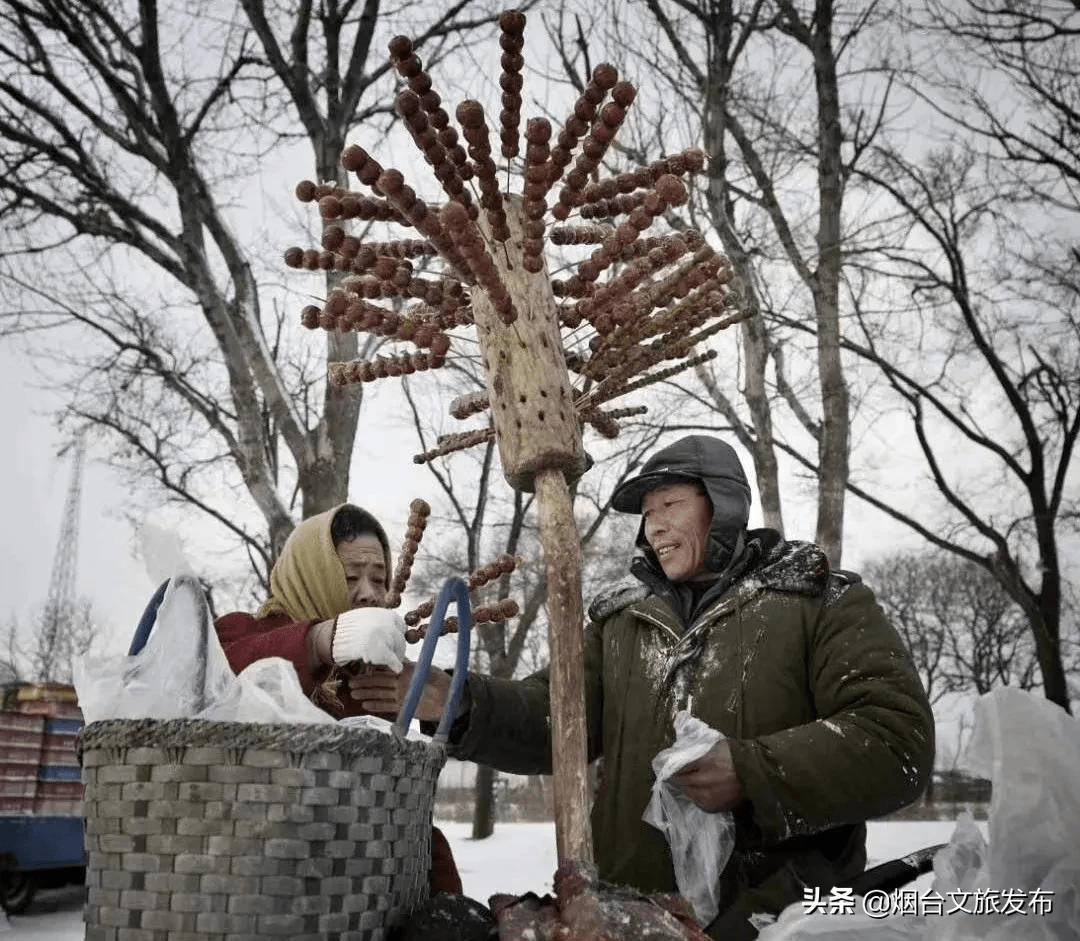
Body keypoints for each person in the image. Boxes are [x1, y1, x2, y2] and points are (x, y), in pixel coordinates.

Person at [351, 435, 936, 939]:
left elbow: (896, 741)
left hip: (775, 918)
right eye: (647, 512)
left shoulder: (818, 600)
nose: (653, 526)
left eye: (670, 504)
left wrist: (752, 770)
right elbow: (555, 722)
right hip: (636, 917)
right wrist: (451, 699)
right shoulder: (621, 621)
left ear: (724, 507)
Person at [214, 502, 463, 896]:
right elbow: (219, 678)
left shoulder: (372, 678)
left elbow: (401, 809)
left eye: (379, 579)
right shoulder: (242, 632)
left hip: (355, 892)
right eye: (350, 577)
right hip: (256, 882)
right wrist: (317, 641)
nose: (369, 595)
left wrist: (446, 901)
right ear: (311, 575)